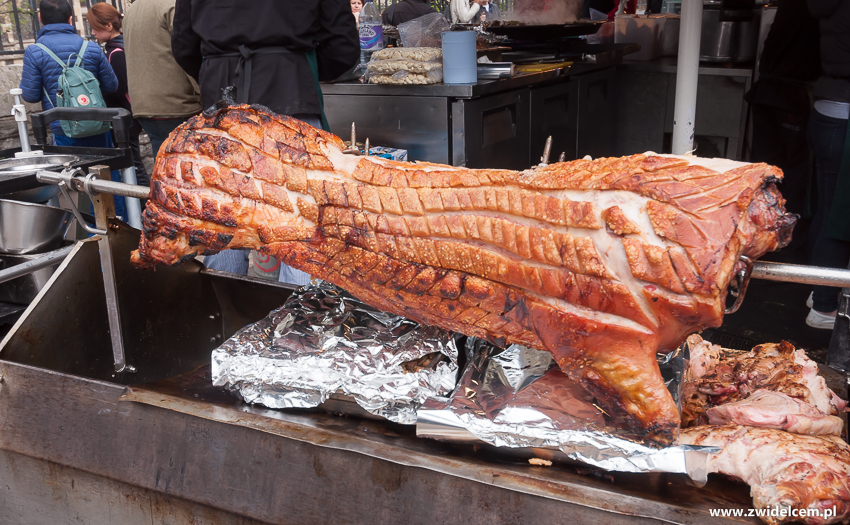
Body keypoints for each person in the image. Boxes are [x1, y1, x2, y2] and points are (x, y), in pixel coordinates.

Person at [170, 0, 359, 286]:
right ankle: (297, 320)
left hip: (223, 100)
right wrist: (293, 63)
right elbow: (343, 47)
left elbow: (184, 46)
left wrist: (219, 66)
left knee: (222, 213)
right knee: (299, 218)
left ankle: (223, 305)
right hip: (290, 92)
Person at [20, 0, 123, 212]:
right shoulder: (91, 48)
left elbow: (29, 95)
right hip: (98, 124)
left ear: (40, 18)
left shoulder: (35, 52)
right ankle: (120, 224)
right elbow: (112, 85)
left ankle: (87, 230)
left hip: (63, 129)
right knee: (108, 178)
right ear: (70, 19)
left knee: (72, 182)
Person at [746, 0, 820, 232]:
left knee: (765, 171)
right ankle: (787, 241)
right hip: (792, 94)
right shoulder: (823, 10)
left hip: (768, 91)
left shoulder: (790, 6)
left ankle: (760, 233)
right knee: (794, 175)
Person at [805, 0, 850, 330]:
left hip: (828, 109)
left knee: (828, 209)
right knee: (840, 216)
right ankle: (823, 307)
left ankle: (819, 290)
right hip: (845, 114)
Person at [124, 0, 202, 159]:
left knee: (164, 166)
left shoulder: (132, 10)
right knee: (189, 171)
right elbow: (188, 52)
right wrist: (206, 92)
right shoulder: (173, 5)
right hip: (178, 103)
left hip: (144, 105)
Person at [87, 3, 149, 188]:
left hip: (123, 117)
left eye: (95, 27)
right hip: (128, 114)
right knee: (133, 163)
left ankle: (143, 206)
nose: (92, 32)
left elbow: (118, 89)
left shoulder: (115, 53)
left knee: (133, 165)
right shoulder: (123, 45)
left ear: (108, 26)